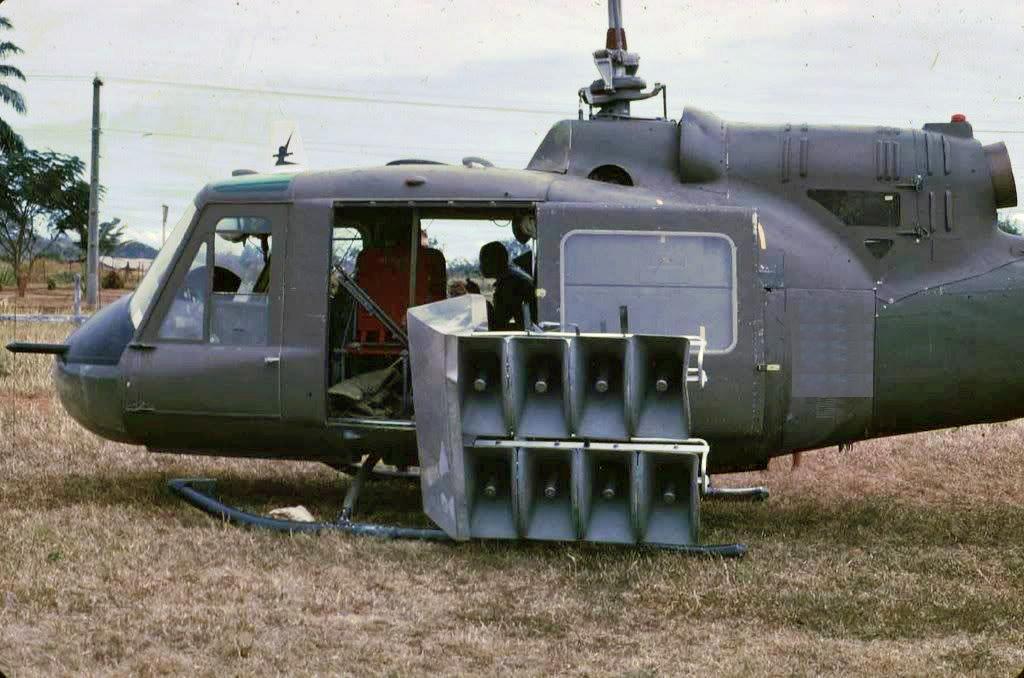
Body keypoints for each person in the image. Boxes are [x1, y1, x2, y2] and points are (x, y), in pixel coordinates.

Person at [479, 241, 535, 330]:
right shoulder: (515, 276)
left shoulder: (509, 284)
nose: (481, 266)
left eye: (484, 261)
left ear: (495, 261)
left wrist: (477, 297)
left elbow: (496, 325)